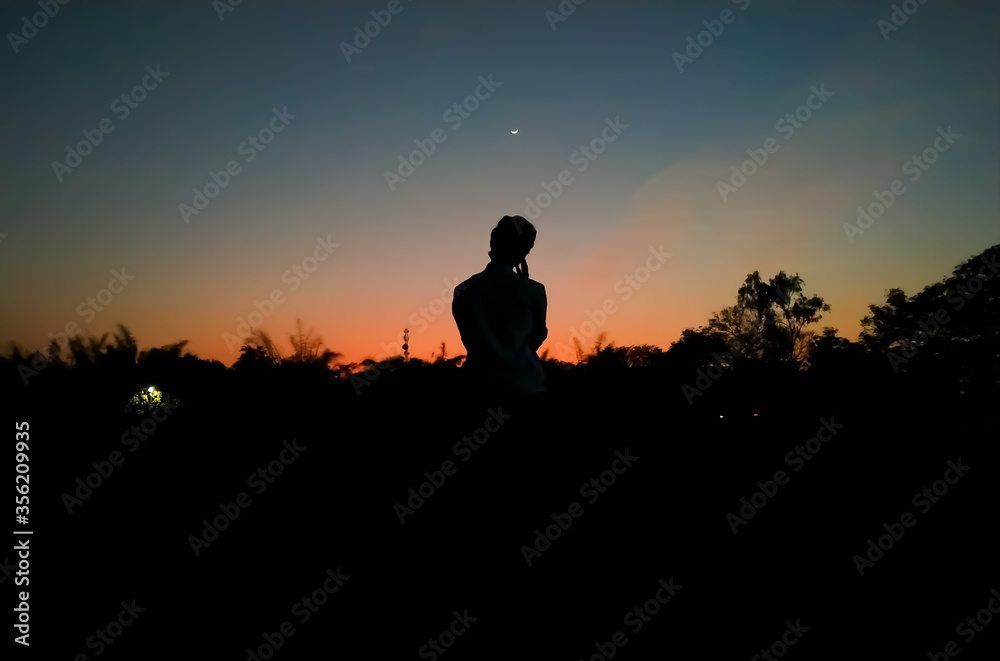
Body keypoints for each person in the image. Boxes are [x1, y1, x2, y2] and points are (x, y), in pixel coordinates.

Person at [452, 215, 548, 402]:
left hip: (478, 388)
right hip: (526, 389)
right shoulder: (535, 290)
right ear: (522, 252)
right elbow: (535, 339)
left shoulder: (462, 290)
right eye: (528, 248)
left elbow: (470, 340)